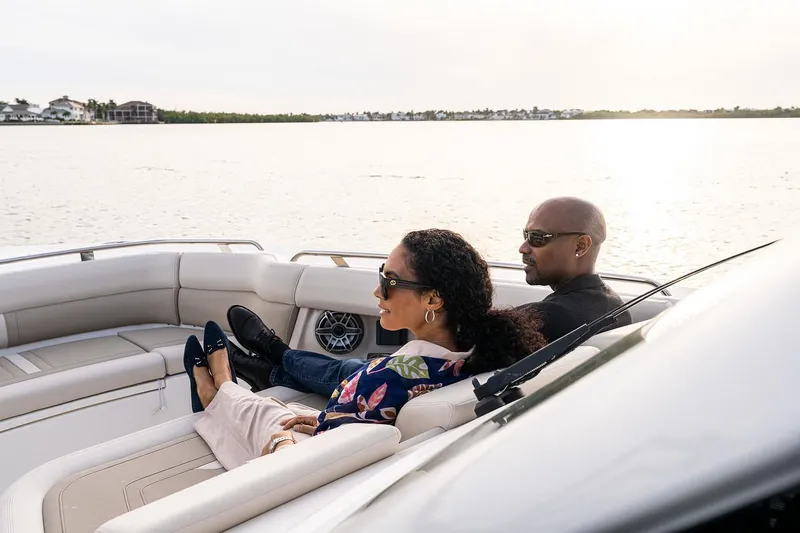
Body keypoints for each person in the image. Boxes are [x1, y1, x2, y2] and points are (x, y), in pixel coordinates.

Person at [184, 229, 545, 470]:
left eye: (388, 282)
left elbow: (308, 467)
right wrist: (331, 421)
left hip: (310, 464)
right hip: (352, 444)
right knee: (279, 408)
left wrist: (282, 439)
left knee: (259, 415)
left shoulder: (386, 377)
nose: (377, 292)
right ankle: (232, 381)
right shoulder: (474, 359)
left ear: (433, 298)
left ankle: (217, 388)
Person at [229, 196, 631, 395]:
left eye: (537, 239)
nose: (523, 248)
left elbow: (460, 336)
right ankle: (272, 365)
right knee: (358, 364)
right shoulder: (615, 309)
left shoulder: (551, 318)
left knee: (350, 370)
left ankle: (275, 359)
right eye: (525, 236)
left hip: (437, 385)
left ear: (581, 246)